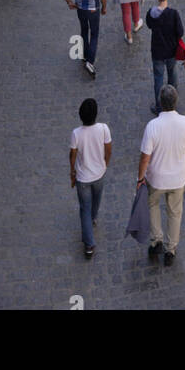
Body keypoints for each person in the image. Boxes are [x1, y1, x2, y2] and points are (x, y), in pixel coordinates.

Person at [138, 84, 185, 266]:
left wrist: (140, 178)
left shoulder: (152, 126)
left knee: (153, 205)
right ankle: (170, 248)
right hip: (178, 178)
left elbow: (145, 157)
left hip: (156, 178)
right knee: (175, 212)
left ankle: (156, 239)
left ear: (160, 103)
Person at [69, 98, 111, 259]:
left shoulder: (76, 134)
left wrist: (72, 173)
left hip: (83, 178)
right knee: (96, 200)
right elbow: (108, 150)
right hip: (99, 174)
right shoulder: (103, 129)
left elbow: (72, 156)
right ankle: (93, 219)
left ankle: (89, 244)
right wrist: (105, 164)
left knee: (84, 208)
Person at [63, 0, 107, 77]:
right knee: (94, 34)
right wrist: (104, 7)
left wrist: (70, 2)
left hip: (81, 9)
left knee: (83, 30)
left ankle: (84, 55)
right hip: (93, 9)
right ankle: (90, 61)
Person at [146, 0, 184, 114]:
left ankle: (159, 106)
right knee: (173, 77)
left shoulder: (151, 13)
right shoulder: (173, 14)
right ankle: (172, 104)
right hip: (171, 51)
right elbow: (180, 32)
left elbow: (149, 25)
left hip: (157, 52)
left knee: (158, 79)